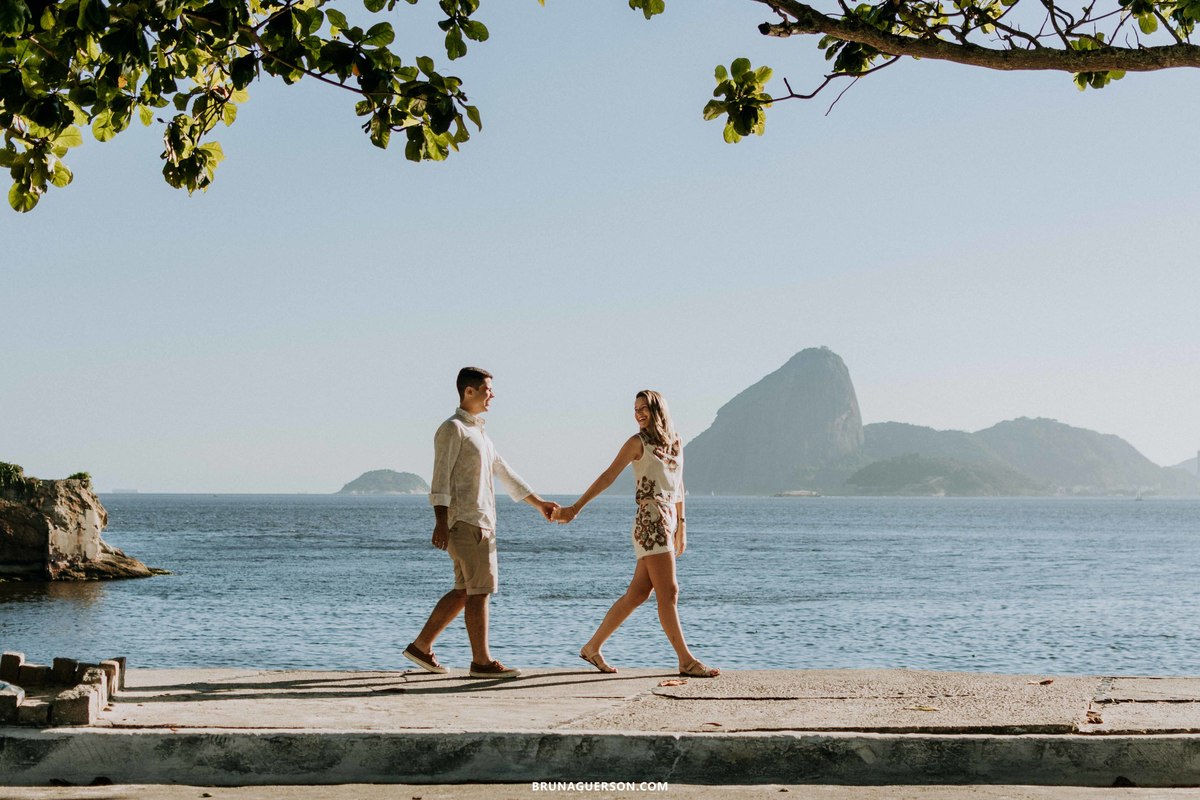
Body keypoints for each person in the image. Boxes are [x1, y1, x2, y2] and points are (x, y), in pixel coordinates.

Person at [402, 366, 558, 679]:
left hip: (481, 521)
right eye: (488, 389)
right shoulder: (453, 429)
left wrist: (539, 503)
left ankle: (421, 647)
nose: (493, 395)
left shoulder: (480, 433)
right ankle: (482, 662)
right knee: (479, 591)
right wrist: (440, 521)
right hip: (468, 522)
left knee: (464, 590)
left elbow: (505, 472)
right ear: (469, 391)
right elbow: (440, 478)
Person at [553, 390, 719, 678]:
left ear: (659, 410)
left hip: (668, 520)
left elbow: (679, 486)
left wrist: (682, 525)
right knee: (669, 592)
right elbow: (608, 476)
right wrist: (575, 507)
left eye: (644, 408)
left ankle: (592, 647)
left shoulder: (676, 443)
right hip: (649, 521)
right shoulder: (636, 443)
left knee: (639, 593)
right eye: (636, 409)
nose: (639, 414)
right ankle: (686, 660)